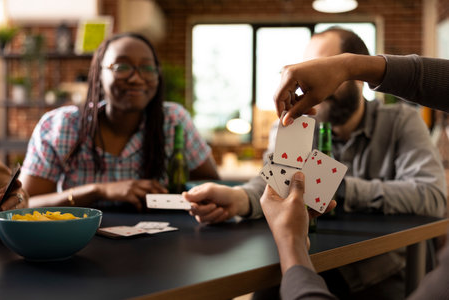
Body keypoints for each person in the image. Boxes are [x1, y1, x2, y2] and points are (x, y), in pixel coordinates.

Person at [185, 27, 447, 299]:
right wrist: (240, 199)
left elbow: (433, 196)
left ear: (357, 77)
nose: (312, 86)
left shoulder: (401, 120)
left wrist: (341, 189)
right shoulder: (297, 124)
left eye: (324, 71)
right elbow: (278, 182)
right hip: (306, 257)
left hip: (376, 272)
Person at [19, 32, 219, 211]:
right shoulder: (59, 125)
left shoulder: (174, 121)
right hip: (80, 242)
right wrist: (98, 191)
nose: (136, 79)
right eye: (122, 67)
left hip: (161, 244)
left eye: (147, 68)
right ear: (98, 76)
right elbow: (24, 204)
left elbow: (211, 188)